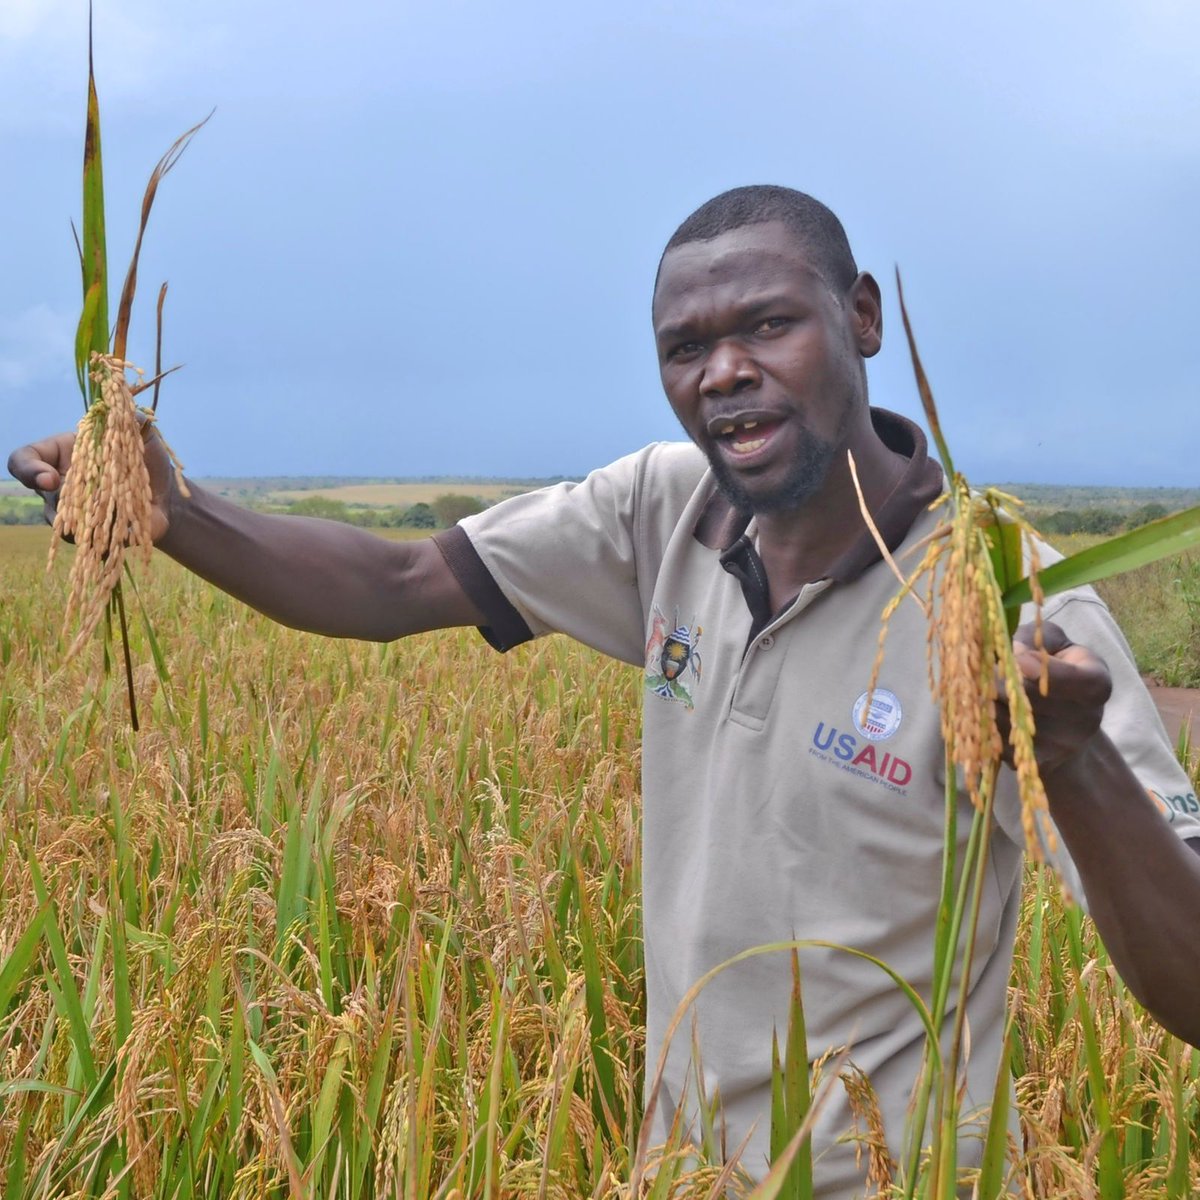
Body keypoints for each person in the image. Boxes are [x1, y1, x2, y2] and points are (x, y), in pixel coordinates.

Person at [11, 185, 1200, 1196]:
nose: (725, 371)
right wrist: (179, 515)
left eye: (769, 325)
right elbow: (398, 578)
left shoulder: (1005, 610)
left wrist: (1076, 763)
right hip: (674, 1170)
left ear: (862, 318)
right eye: (686, 348)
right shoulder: (661, 513)